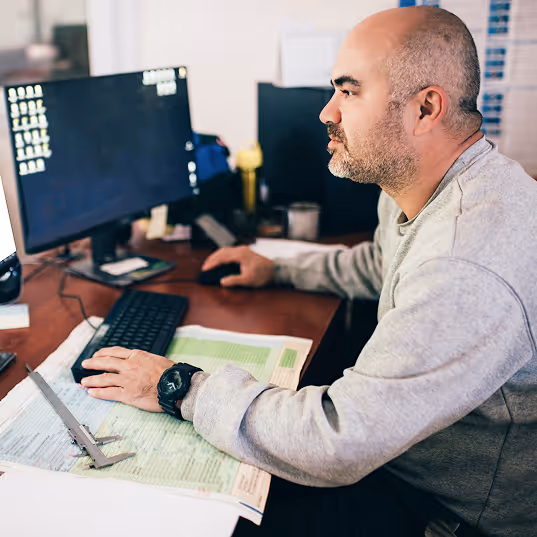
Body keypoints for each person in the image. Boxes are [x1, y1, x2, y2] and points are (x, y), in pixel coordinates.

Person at [80, 6, 537, 536]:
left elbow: (338, 439)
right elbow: (383, 265)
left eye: (349, 91)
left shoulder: (464, 264)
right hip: (409, 467)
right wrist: (277, 269)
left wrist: (178, 386)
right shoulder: (433, 185)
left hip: (448, 515)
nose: (327, 112)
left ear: (425, 108)